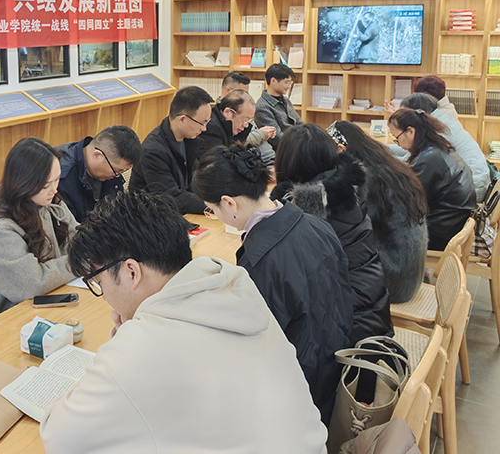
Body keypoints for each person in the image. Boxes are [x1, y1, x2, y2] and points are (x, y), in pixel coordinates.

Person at [40, 191, 328, 454]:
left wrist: (124, 338)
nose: (103, 295)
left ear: (131, 272)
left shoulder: (140, 348)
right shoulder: (234, 284)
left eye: (98, 282)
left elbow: (59, 439)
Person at [192, 145, 353, 425]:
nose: (214, 214)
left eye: (211, 209)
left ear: (229, 203)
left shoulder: (261, 262)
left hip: (301, 393)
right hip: (335, 365)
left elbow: (252, 348)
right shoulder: (314, 223)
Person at [273, 124, 393, 344]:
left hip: (349, 337)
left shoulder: (309, 209)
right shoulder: (346, 189)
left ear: (287, 161)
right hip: (372, 314)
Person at [0, 137, 77, 330]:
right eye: (46, 185)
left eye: (57, 180)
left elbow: (78, 237)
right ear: (24, 183)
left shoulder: (44, 198)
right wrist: (79, 261)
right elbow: (33, 283)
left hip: (43, 302)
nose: (54, 189)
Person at [327, 121, 429, 304]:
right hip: (411, 273)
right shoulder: (389, 167)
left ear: (341, 150)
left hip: (394, 282)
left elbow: (350, 229)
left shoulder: (367, 179)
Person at [389, 108, 476, 251]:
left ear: (410, 131)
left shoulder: (428, 159)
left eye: (396, 138)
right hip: (452, 223)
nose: (398, 143)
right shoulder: (436, 149)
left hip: (440, 233)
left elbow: (409, 202)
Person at [129, 86, 214, 214]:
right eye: (202, 123)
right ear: (182, 120)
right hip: (151, 217)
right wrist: (212, 205)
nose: (204, 129)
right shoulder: (153, 151)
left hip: (177, 214)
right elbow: (169, 197)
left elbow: (195, 182)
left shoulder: (189, 139)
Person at [400, 92, 489, 202]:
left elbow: (411, 160)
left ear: (417, 113)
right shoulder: (441, 119)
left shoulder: (436, 128)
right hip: (473, 184)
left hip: (471, 190)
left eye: (404, 115)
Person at [55, 125, 142, 222]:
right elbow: (67, 226)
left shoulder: (109, 171)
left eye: (122, 171)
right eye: (116, 170)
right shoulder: (60, 177)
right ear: (97, 155)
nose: (117, 175)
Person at [212, 72, 276, 162]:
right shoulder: (215, 123)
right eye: (240, 92)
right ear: (228, 91)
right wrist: (260, 135)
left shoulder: (245, 110)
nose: (246, 125)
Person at [254, 63, 302, 148]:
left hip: (295, 143)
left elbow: (299, 123)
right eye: (286, 82)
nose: (289, 86)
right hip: (283, 149)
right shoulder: (262, 107)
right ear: (273, 81)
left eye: (290, 83)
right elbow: (277, 138)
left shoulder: (285, 100)